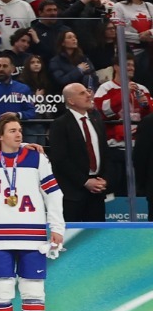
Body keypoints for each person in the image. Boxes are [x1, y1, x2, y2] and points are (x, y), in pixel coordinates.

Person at [0, 111, 67, 311]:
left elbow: (54, 193)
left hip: (32, 234)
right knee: (2, 288)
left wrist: (57, 227)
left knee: (33, 288)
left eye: (20, 130)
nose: (19, 134)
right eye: (12, 131)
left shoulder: (36, 158)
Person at [46, 82, 110, 224]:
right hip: (72, 193)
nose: (88, 95)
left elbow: (105, 153)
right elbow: (60, 159)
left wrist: (104, 178)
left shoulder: (96, 120)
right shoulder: (60, 124)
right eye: (82, 93)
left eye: (87, 91)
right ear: (71, 101)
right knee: (71, 238)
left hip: (97, 192)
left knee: (97, 238)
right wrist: (85, 181)